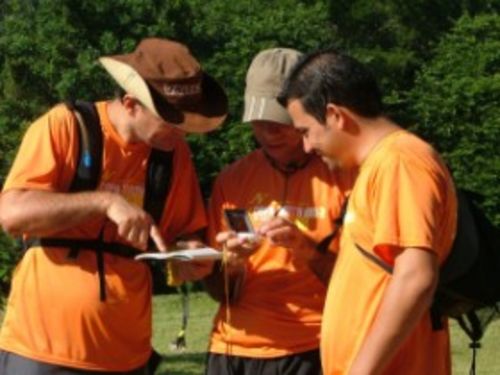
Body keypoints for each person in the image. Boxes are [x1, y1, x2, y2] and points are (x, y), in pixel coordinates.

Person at [0, 38, 227, 374]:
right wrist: (104, 202)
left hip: (127, 356)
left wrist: (191, 257)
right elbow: (13, 214)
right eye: (171, 121)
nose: (181, 134)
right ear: (131, 103)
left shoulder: (171, 154)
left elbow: (185, 233)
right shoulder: (67, 126)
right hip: (41, 350)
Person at [279, 49, 457, 375]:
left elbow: (416, 277)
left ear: (335, 115)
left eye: (305, 131)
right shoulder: (377, 166)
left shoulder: (401, 161)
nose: (305, 147)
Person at [203, 48, 353, 375]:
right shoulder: (232, 180)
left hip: (313, 347)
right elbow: (221, 294)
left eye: (280, 122)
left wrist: (304, 248)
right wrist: (232, 263)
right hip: (232, 350)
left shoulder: (342, 175)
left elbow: (360, 284)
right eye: (260, 121)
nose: (268, 133)